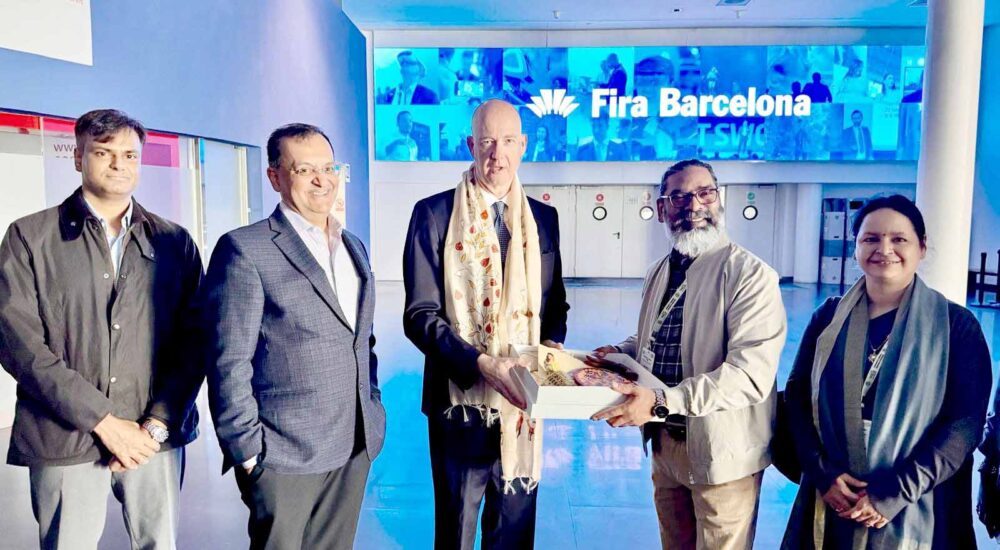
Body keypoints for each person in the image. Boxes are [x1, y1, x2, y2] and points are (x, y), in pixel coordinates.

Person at [0, 109, 204, 549]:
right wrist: (103, 421)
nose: (118, 164)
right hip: (62, 434)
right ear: (78, 157)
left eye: (130, 155)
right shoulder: (29, 237)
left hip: (153, 438)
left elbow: (196, 341)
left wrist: (157, 424)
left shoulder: (175, 242)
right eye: (103, 152)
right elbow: (20, 345)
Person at [204, 123, 385, 549]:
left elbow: (363, 340)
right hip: (283, 455)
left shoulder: (352, 246)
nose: (322, 180)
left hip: (353, 444)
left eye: (328, 168)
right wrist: (249, 453)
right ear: (275, 177)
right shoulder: (245, 249)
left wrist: (373, 408)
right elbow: (228, 361)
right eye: (305, 170)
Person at [590, 159, 787, 550]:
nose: (694, 205)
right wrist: (619, 352)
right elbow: (658, 335)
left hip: (722, 455)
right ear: (662, 209)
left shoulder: (749, 275)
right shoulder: (661, 270)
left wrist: (663, 400)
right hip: (665, 444)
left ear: (719, 200)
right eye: (678, 197)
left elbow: (749, 376)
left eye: (704, 193)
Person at [402, 99, 570, 550]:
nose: (498, 154)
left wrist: (551, 350)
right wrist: (481, 364)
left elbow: (555, 303)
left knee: (514, 532)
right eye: (488, 142)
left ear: (524, 145)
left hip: (523, 402)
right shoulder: (434, 214)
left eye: (509, 141)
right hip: (460, 404)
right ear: (470, 145)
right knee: (456, 531)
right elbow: (419, 315)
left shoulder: (544, 219)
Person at [782, 195, 991, 549]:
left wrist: (896, 492)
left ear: (921, 247)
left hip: (918, 498)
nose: (884, 249)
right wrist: (823, 473)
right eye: (871, 238)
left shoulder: (955, 326)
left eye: (899, 239)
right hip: (835, 491)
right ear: (855, 248)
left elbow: (964, 424)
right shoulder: (828, 318)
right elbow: (797, 397)